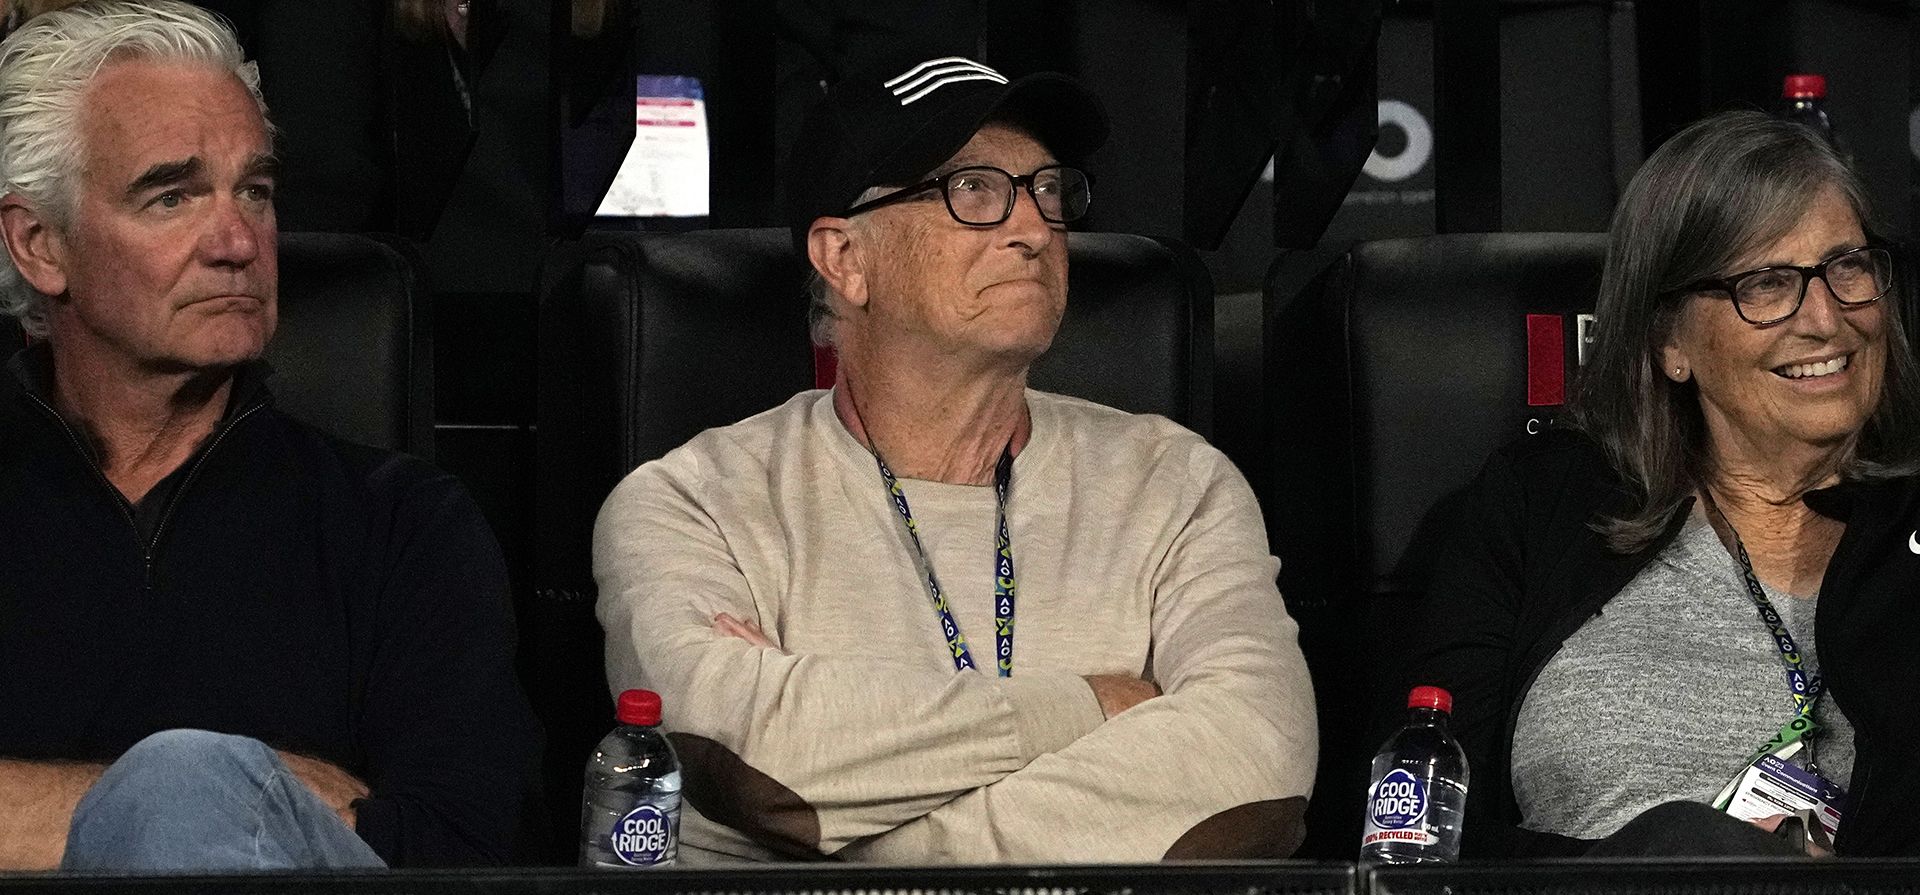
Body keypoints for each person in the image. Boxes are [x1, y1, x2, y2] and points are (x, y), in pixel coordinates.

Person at [594, 54, 1316, 863]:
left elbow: (1258, 759)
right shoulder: (690, 503)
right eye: (973, 189)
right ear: (845, 259)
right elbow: (763, 759)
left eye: (1049, 190)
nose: (1036, 228)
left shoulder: (1177, 483)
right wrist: (1090, 707)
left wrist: (860, 848)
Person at [0, 0, 535, 871]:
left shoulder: (402, 526)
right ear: (39, 245)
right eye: (171, 194)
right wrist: (249, 800)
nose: (238, 239)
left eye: (255, 189)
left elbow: (469, 851)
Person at [1407, 110, 1920, 859]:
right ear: (1669, 340)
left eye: (1847, 266)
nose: (1826, 319)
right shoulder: (1540, 506)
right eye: (1767, 282)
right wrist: (1671, 857)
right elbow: (1418, 830)